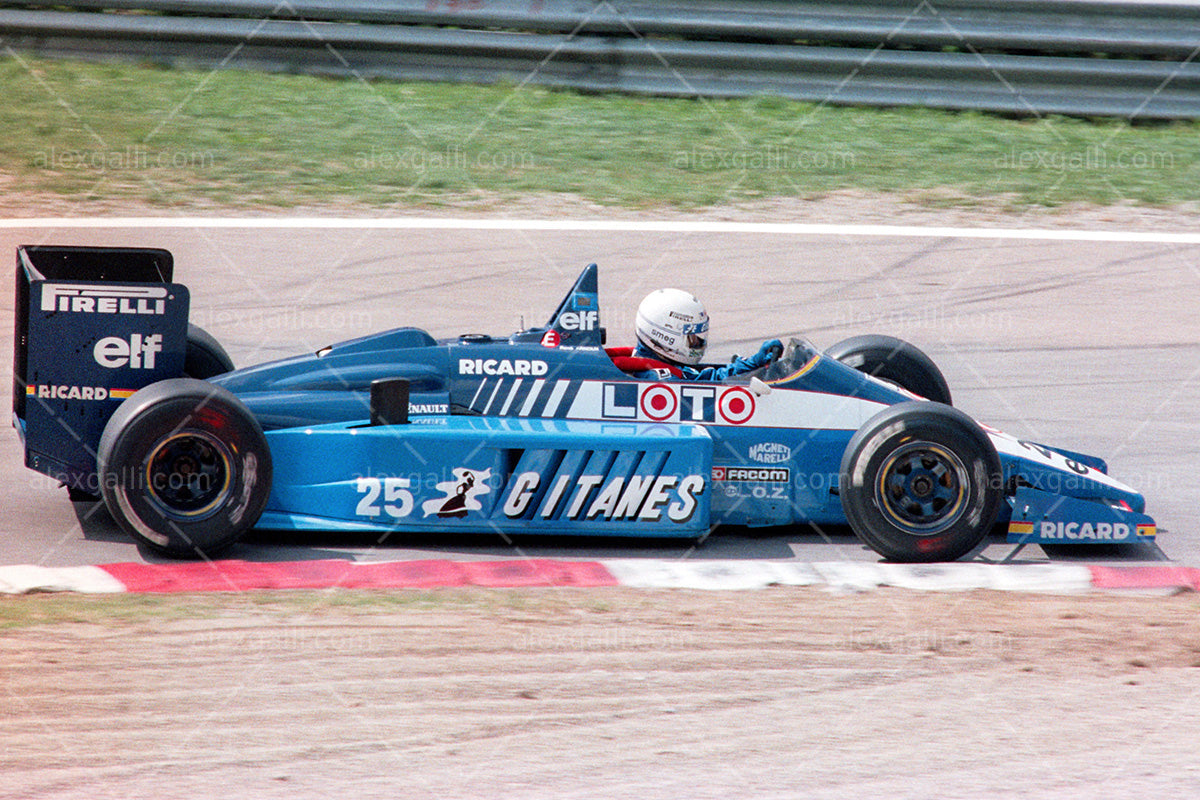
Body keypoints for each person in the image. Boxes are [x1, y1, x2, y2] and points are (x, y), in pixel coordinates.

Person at [610, 288, 782, 380]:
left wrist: (752, 364)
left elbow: (706, 378)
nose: (698, 344)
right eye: (692, 338)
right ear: (665, 335)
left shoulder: (650, 363)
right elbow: (709, 389)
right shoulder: (661, 379)